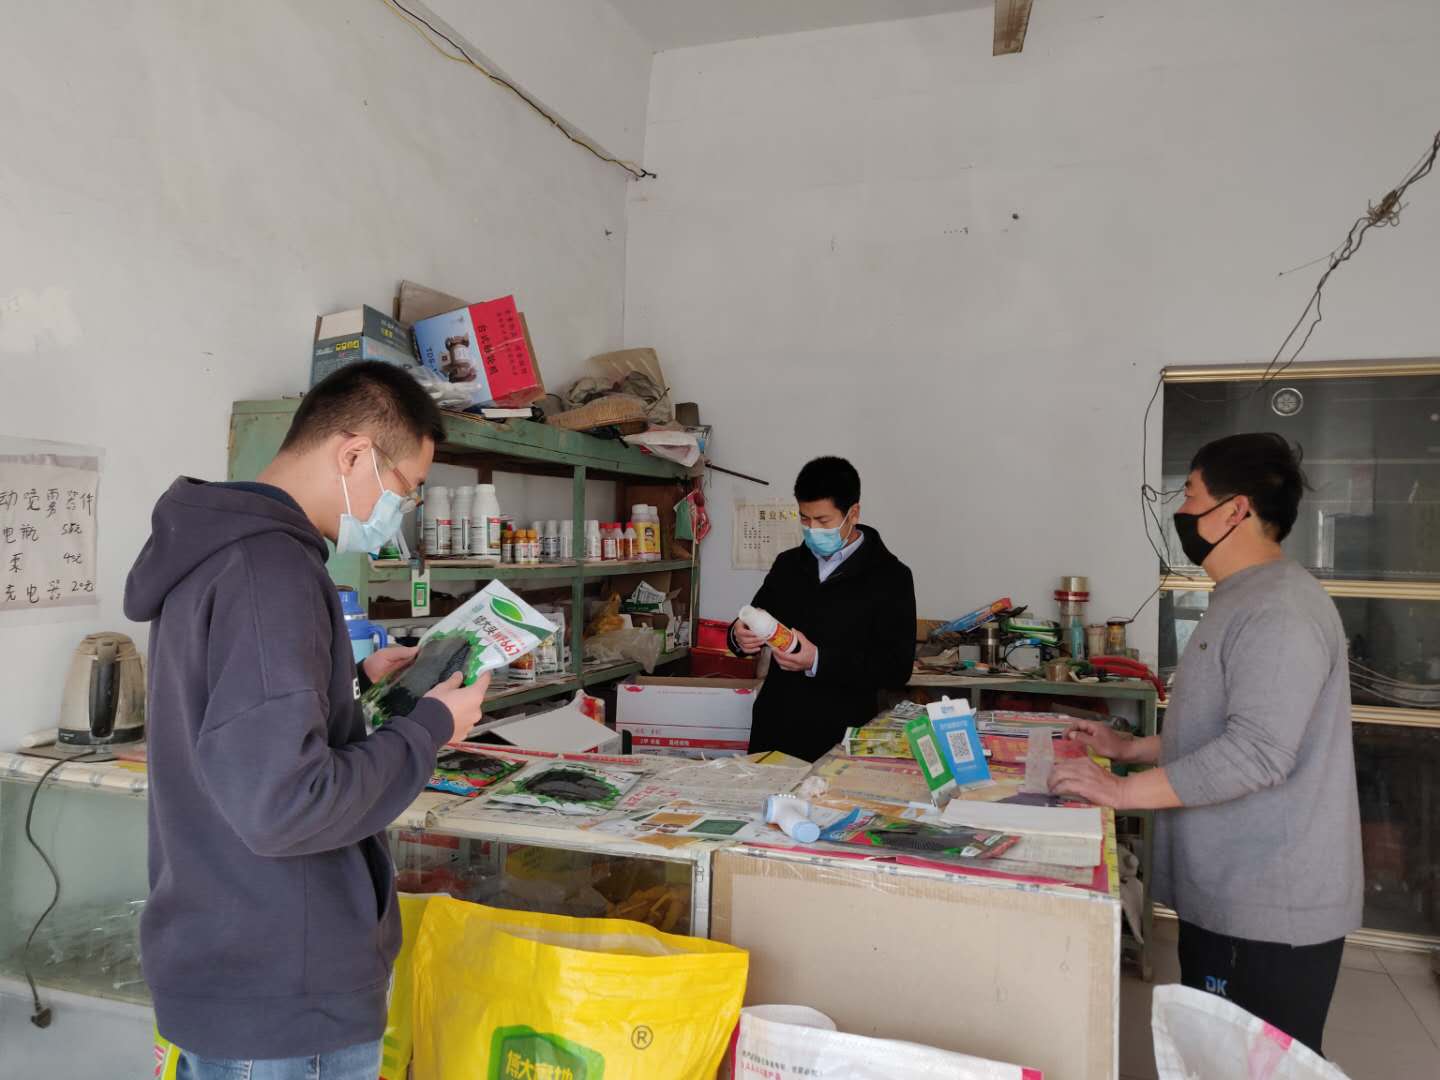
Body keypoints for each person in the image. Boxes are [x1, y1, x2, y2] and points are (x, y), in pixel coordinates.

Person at [124, 362, 489, 1079]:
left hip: (228, 958)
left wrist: (352, 684)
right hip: (283, 991)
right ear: (353, 455)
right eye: (406, 488)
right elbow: (287, 804)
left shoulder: (218, 552)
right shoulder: (272, 573)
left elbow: (232, 721)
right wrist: (430, 728)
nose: (403, 511)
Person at [1050, 432, 1362, 1055]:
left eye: (1191, 495)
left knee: (1251, 1064)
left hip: (1269, 905)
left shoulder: (1280, 610)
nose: (1182, 511)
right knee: (1213, 1057)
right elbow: (1221, 730)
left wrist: (1121, 792)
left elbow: (1256, 753)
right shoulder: (1241, 596)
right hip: (1231, 892)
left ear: (1235, 510)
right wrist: (1130, 749)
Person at [728, 456, 916, 761]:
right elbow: (754, 618)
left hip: (841, 735)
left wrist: (817, 660)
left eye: (823, 521)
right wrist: (739, 636)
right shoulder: (788, 565)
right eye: (804, 518)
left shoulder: (890, 577)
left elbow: (896, 668)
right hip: (776, 728)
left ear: (853, 513)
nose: (812, 529)